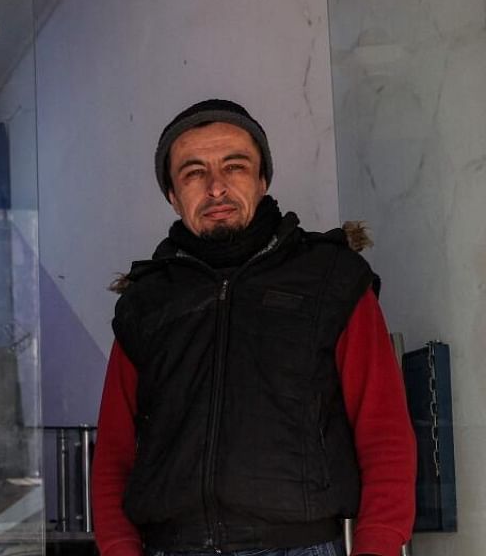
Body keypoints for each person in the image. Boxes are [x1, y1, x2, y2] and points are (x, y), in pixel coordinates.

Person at [91, 99, 416, 556]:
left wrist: (378, 544)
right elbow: (114, 452)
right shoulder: (146, 301)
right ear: (172, 194)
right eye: (193, 173)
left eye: (235, 167)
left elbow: (383, 428)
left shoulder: (331, 278)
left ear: (262, 180)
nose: (217, 187)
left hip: (303, 547)